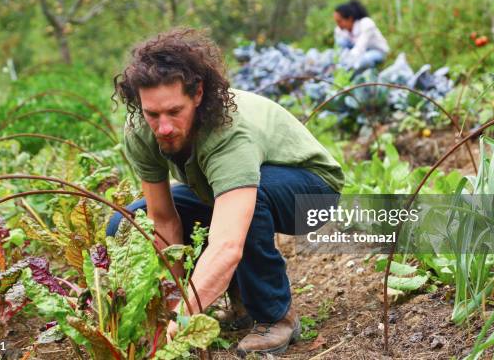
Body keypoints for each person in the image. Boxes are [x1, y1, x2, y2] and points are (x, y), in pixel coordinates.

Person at [107, 28, 344, 356]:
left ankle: (276, 316)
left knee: (247, 205)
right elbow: (163, 220)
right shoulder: (140, 130)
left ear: (198, 94)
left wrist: (184, 319)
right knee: (133, 220)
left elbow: (228, 244)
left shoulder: (228, 131)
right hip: (230, 192)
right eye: (153, 114)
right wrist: (179, 302)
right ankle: (241, 304)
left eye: (175, 112)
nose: (163, 126)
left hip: (312, 193)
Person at [334, 0, 390, 73]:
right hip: (358, 50)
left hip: (376, 51)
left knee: (363, 60)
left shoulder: (366, 24)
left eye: (339, 21)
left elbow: (360, 48)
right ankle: (348, 68)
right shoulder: (340, 30)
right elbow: (339, 46)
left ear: (350, 19)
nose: (338, 25)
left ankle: (369, 71)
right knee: (341, 42)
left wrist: (346, 62)